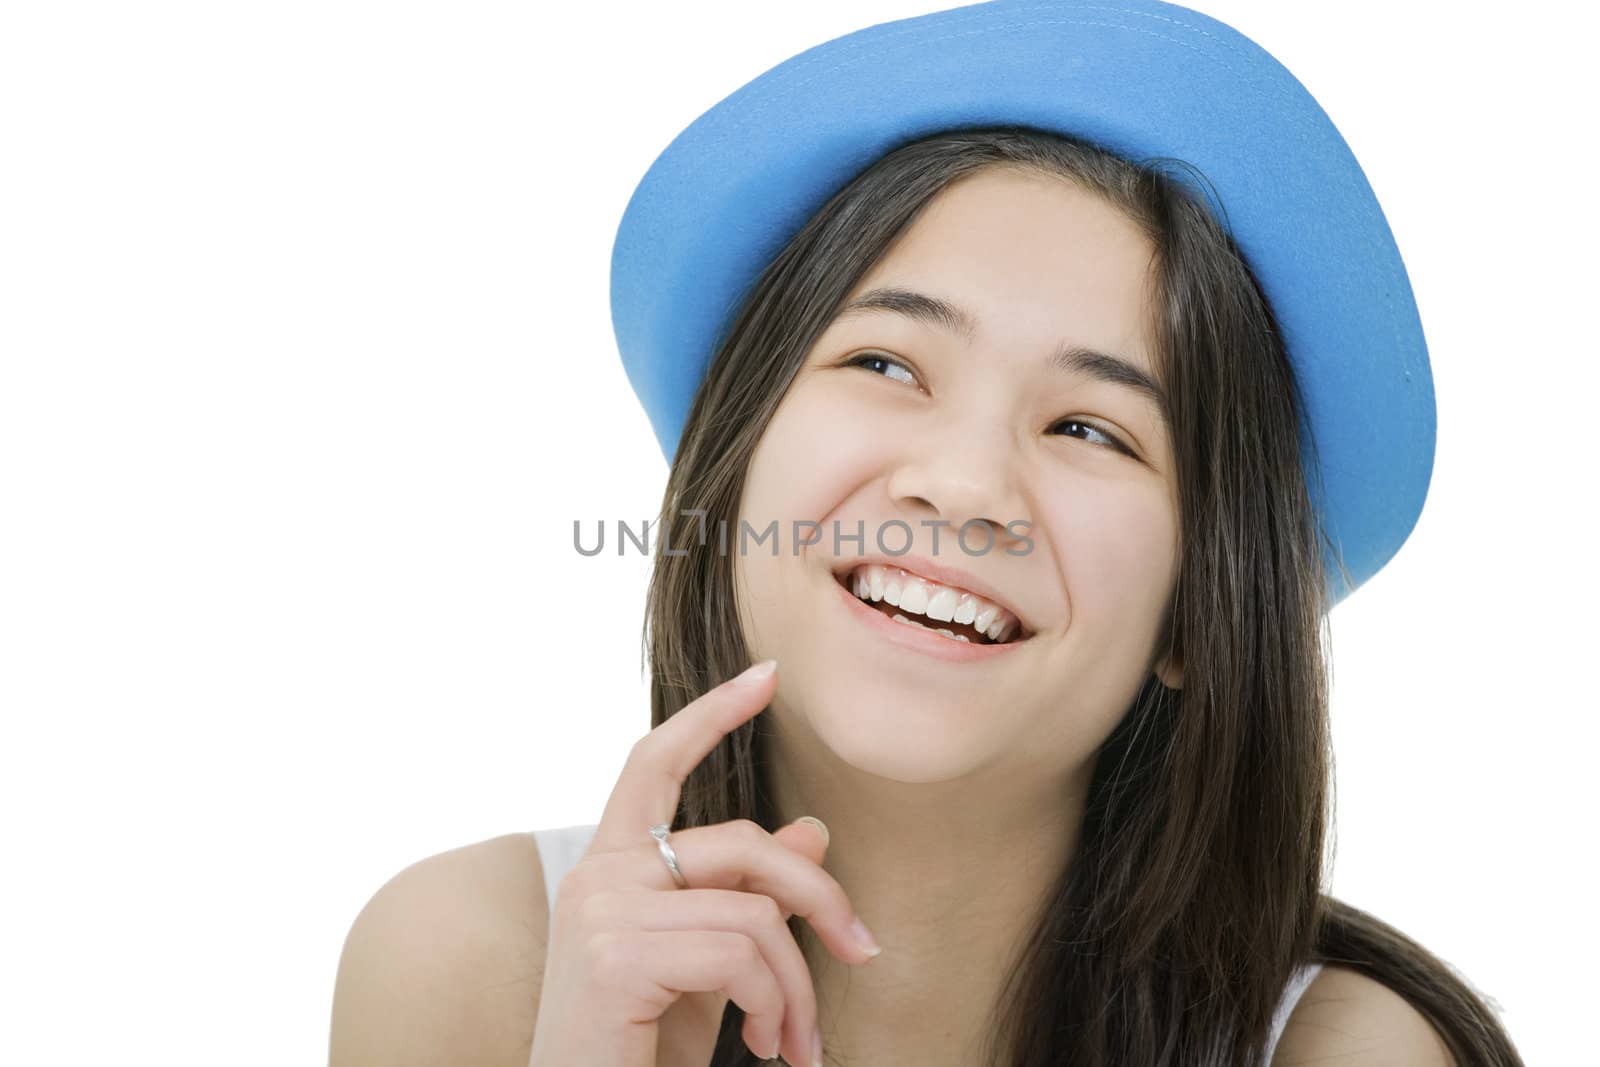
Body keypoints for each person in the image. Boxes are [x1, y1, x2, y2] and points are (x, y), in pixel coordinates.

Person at [330, 3, 1524, 1065]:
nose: (961, 486)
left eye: (1092, 428)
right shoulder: (471, 963)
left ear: (1196, 614)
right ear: (735, 464)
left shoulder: (1344, 1048)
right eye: (887, 360)